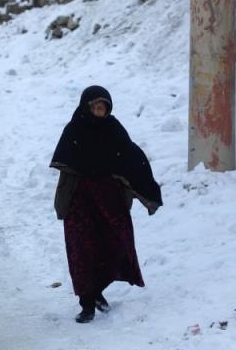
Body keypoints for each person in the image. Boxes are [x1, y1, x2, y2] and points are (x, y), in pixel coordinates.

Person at [50, 85, 162, 323]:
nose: (99, 112)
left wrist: (148, 190)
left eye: (103, 108)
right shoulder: (74, 130)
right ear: (85, 107)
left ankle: (98, 288)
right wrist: (63, 204)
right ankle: (87, 304)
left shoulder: (113, 130)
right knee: (82, 251)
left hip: (109, 200)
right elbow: (66, 170)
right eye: (95, 107)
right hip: (80, 203)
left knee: (115, 244)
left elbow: (132, 158)